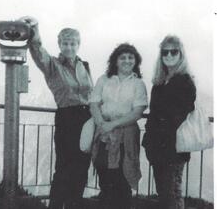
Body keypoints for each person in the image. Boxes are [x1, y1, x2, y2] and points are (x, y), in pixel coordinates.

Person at [19, 17, 93, 209]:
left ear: (78, 45)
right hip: (67, 118)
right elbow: (37, 50)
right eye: (65, 43)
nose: (69, 47)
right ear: (60, 44)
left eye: (73, 43)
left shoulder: (84, 66)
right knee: (64, 168)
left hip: (87, 119)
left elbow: (92, 93)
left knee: (82, 168)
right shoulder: (52, 65)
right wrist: (33, 27)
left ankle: (73, 205)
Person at [89, 43, 148, 209]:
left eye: (131, 57)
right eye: (123, 57)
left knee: (122, 179)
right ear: (115, 61)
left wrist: (112, 125)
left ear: (136, 61)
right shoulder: (104, 79)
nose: (127, 61)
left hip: (126, 137)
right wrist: (102, 125)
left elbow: (137, 112)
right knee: (105, 177)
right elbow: (94, 103)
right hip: (103, 134)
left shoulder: (138, 84)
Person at [142, 35, 196, 209]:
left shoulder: (185, 81)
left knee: (171, 194)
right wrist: (150, 142)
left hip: (173, 149)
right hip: (158, 148)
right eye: (165, 52)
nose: (169, 55)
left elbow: (178, 117)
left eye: (174, 51)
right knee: (165, 194)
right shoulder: (159, 82)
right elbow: (154, 114)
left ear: (181, 54)